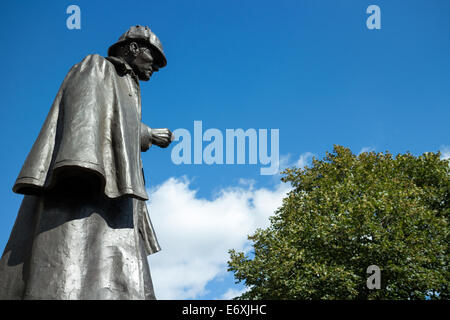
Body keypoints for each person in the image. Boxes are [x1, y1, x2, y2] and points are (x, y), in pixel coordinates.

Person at [0, 25, 173, 299]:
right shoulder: (97, 66)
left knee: (118, 270)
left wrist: (147, 133)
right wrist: (81, 164)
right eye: (155, 58)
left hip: (113, 193)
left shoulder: (125, 83)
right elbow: (87, 114)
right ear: (134, 48)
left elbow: (115, 123)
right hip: (89, 182)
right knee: (74, 257)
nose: (158, 67)